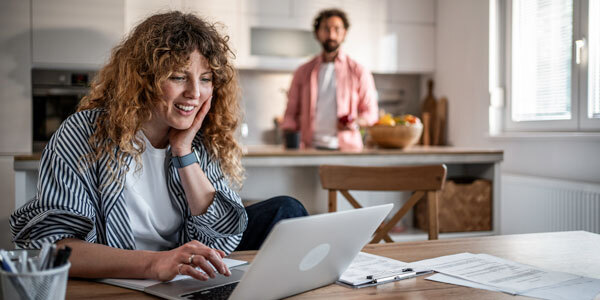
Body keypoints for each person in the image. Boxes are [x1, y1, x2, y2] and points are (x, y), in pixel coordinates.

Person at [10, 11, 307, 282]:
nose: (194, 93)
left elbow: (221, 240)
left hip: (184, 273)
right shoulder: (84, 133)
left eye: (205, 79)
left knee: (287, 209)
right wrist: (156, 263)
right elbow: (53, 248)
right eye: (178, 77)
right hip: (132, 270)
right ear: (143, 79)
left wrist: (184, 152)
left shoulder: (200, 138)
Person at [281, 8, 379, 151]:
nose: (331, 35)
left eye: (337, 29)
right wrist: (289, 135)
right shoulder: (302, 72)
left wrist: (355, 122)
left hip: (347, 150)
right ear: (317, 33)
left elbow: (371, 114)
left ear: (344, 33)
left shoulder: (359, 71)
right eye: (326, 29)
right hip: (309, 149)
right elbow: (290, 114)